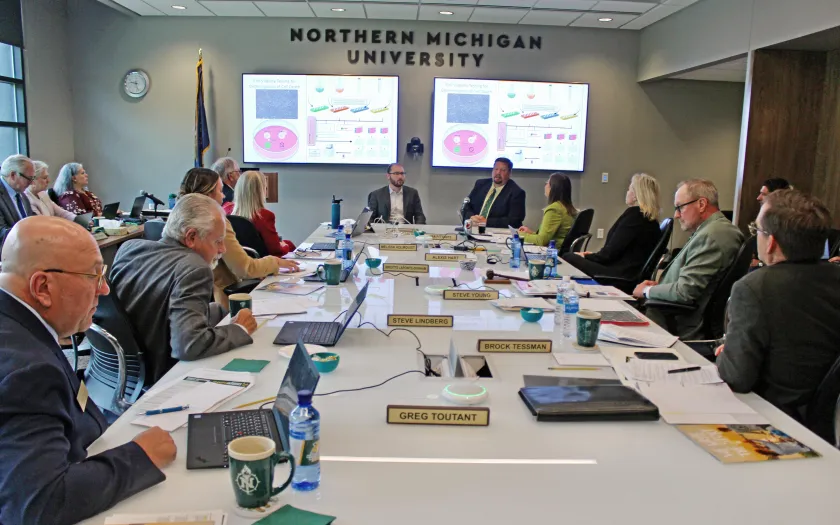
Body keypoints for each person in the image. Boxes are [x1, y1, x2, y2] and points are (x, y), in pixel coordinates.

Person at [0, 216, 175, 524]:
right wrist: (139, 456)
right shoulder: (28, 371)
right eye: (94, 275)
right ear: (42, 287)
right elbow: (40, 504)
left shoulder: (17, 324)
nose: (105, 289)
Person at [716, 190, 840, 420]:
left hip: (771, 415)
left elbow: (737, 377)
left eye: (757, 231)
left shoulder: (753, 288)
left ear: (771, 242)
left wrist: (726, 355)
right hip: (827, 421)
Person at [109, 194, 258, 383]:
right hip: (161, 375)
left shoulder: (129, 248)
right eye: (218, 241)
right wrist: (239, 329)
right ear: (191, 237)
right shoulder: (194, 268)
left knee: (218, 310)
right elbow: (189, 345)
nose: (222, 249)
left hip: (118, 372)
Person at [632, 179, 744, 339]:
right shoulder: (713, 230)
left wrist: (646, 291)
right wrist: (659, 287)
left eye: (680, 207)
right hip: (668, 315)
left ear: (701, 204)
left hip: (672, 324)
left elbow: (685, 292)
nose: (676, 215)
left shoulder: (711, 236)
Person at [179, 168, 298, 306]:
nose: (223, 196)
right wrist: (275, 262)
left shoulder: (178, 220)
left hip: (195, 299)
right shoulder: (216, 222)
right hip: (223, 301)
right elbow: (244, 268)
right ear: (209, 195)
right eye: (220, 191)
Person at [562, 173, 661, 279]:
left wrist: (587, 256)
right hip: (628, 271)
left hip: (619, 274)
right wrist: (592, 255)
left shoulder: (635, 216)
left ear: (636, 195)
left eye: (629, 189)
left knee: (568, 257)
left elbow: (609, 254)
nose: (627, 192)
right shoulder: (649, 219)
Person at [223, 170, 296, 257]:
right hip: (260, 262)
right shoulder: (264, 215)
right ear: (261, 191)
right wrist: (286, 246)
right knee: (290, 244)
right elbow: (275, 250)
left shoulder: (225, 209)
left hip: (235, 260)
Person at [463, 157, 526, 228]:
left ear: (509, 173)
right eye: (496, 169)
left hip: (497, 232)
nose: (498, 173)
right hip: (474, 227)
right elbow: (467, 206)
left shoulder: (516, 192)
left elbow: (515, 221)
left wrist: (486, 222)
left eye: (503, 170)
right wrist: (471, 217)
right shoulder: (480, 184)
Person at [517, 172, 576, 247]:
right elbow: (551, 237)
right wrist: (531, 233)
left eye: (547, 183)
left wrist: (519, 235)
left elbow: (541, 241)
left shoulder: (554, 209)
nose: (545, 186)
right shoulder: (566, 207)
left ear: (553, 188)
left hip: (552, 252)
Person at [0, 154, 35, 248]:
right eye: (29, 178)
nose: (32, 183)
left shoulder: (22, 194)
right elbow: (1, 233)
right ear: (13, 175)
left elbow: (30, 220)